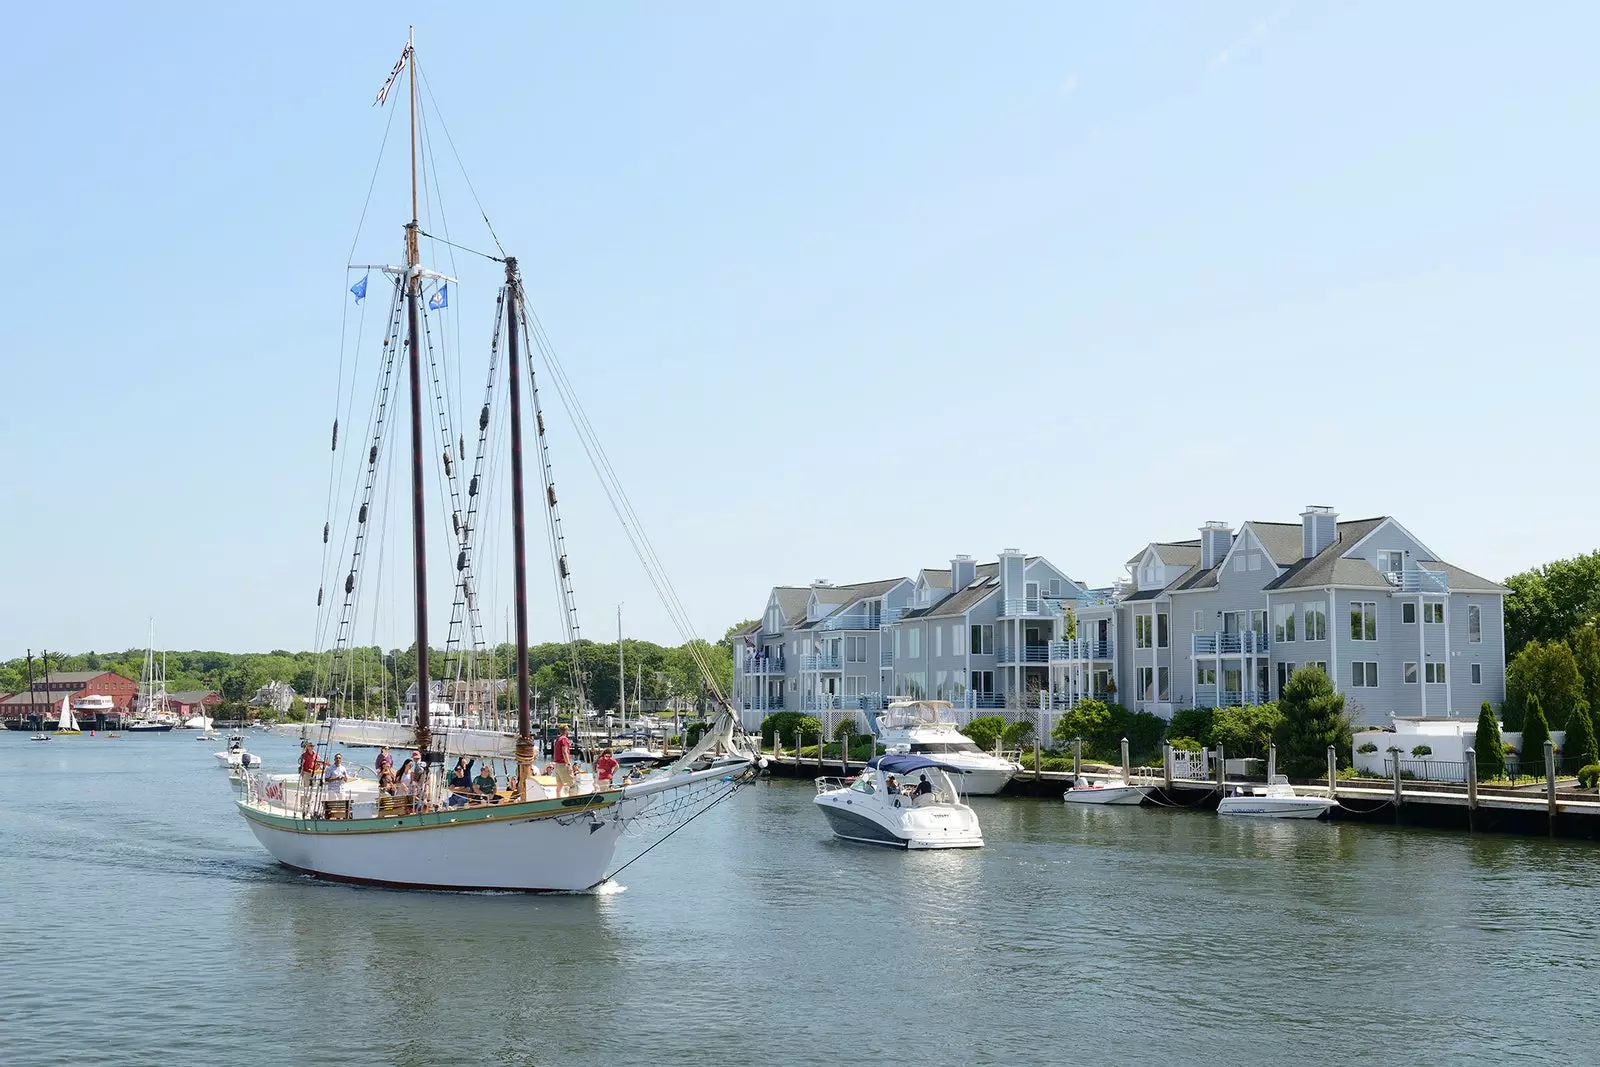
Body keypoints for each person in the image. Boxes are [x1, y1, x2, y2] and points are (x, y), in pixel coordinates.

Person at [552, 724, 574, 797]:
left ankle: (558, 798)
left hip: (557, 765)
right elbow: (564, 752)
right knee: (572, 783)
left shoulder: (558, 739)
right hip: (562, 764)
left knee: (559, 785)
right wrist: (568, 764)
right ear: (566, 731)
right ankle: (571, 798)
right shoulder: (564, 739)